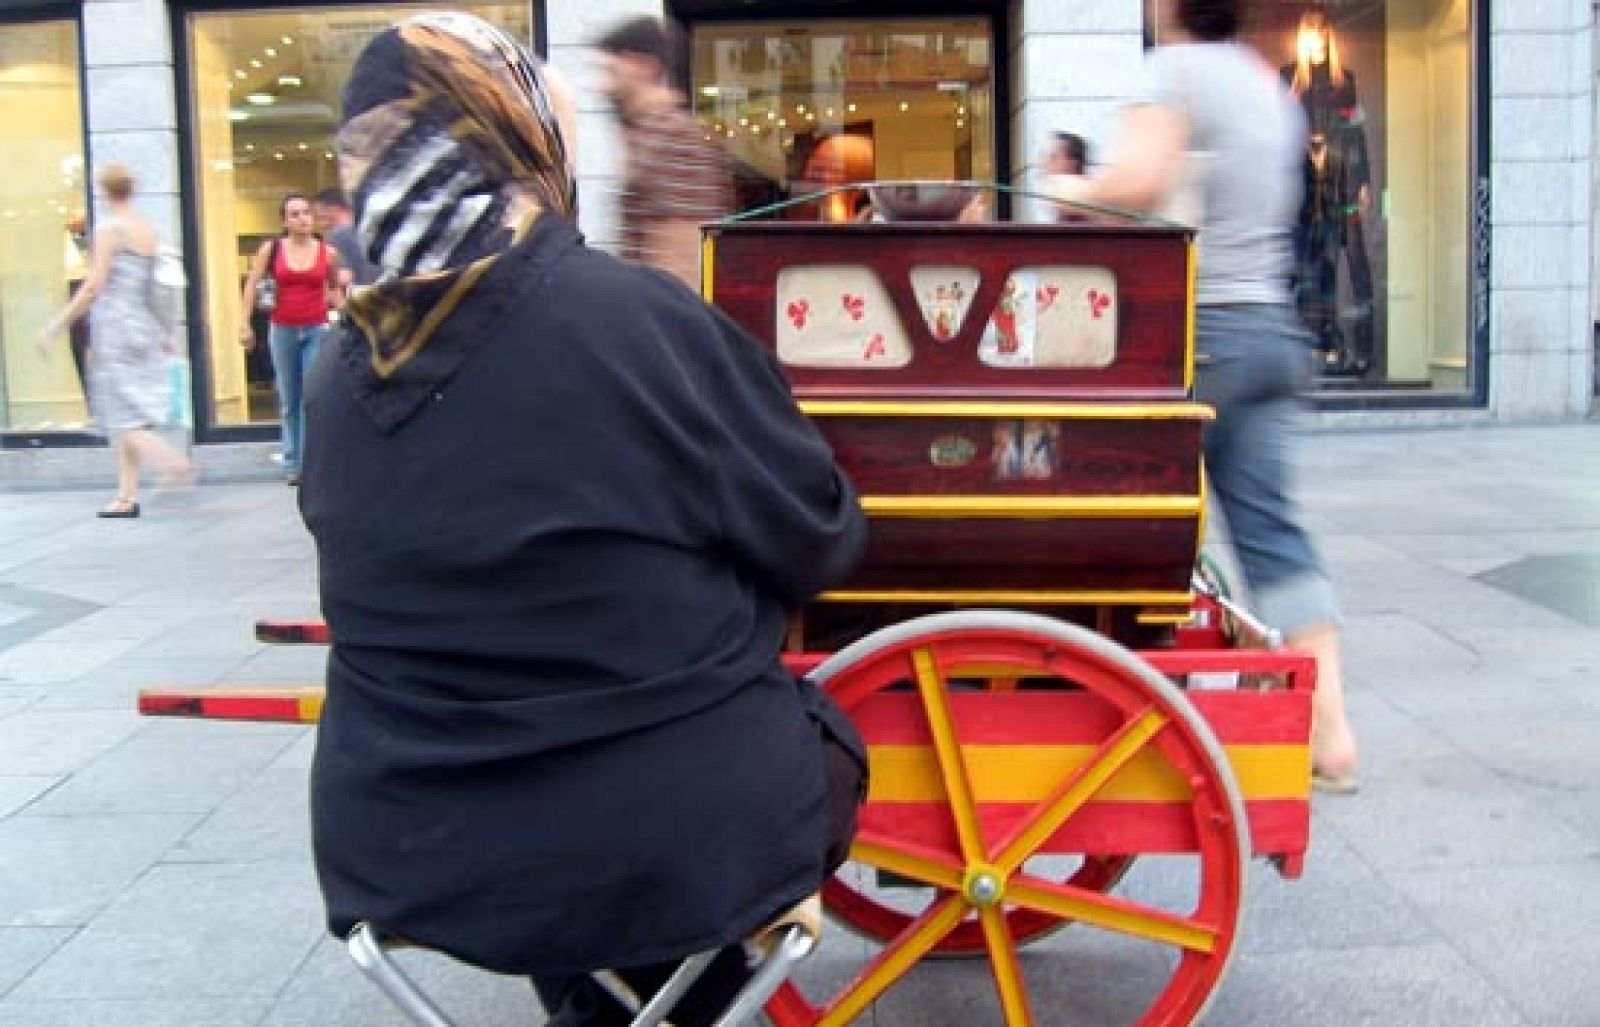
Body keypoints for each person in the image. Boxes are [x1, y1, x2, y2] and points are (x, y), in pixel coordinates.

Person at [303, 13, 868, 1026]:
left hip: (404, 839)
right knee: (810, 742)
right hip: (661, 830)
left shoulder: (330, 376)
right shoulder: (640, 321)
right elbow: (818, 533)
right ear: (519, 141)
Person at [1047, 0, 1360, 792]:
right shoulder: (1266, 85)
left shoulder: (1175, 70)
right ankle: (1331, 732)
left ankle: (1132, 706)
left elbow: (1140, 184)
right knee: (1272, 535)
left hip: (1198, 334)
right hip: (1269, 331)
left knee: (1126, 523)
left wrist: (1067, 185)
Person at [36, 164, 196, 518]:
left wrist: (57, 324)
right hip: (145, 326)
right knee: (130, 414)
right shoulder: (147, 229)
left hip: (117, 327)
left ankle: (173, 463)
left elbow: (94, 285)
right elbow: (157, 285)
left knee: (120, 416)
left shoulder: (110, 229)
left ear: (105, 192)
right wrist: (165, 331)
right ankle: (126, 495)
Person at [593, 15, 733, 290]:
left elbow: (683, 256)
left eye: (611, 71)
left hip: (655, 314)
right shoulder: (643, 133)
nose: (600, 84)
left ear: (643, 66)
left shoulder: (676, 136)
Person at [239, 192, 343, 485]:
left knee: (311, 394)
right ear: (284, 221)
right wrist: (243, 322)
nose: (302, 219)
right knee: (289, 397)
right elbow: (253, 283)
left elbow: (333, 289)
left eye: (306, 213)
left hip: (315, 327)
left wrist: (348, 318)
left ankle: (311, 462)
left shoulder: (327, 252)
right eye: (295, 214)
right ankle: (292, 462)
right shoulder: (272, 250)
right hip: (282, 327)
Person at [313, 188, 377, 291]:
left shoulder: (337, 236)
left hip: (358, 297)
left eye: (319, 216)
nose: (318, 224)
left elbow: (343, 277)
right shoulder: (369, 230)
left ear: (332, 209)